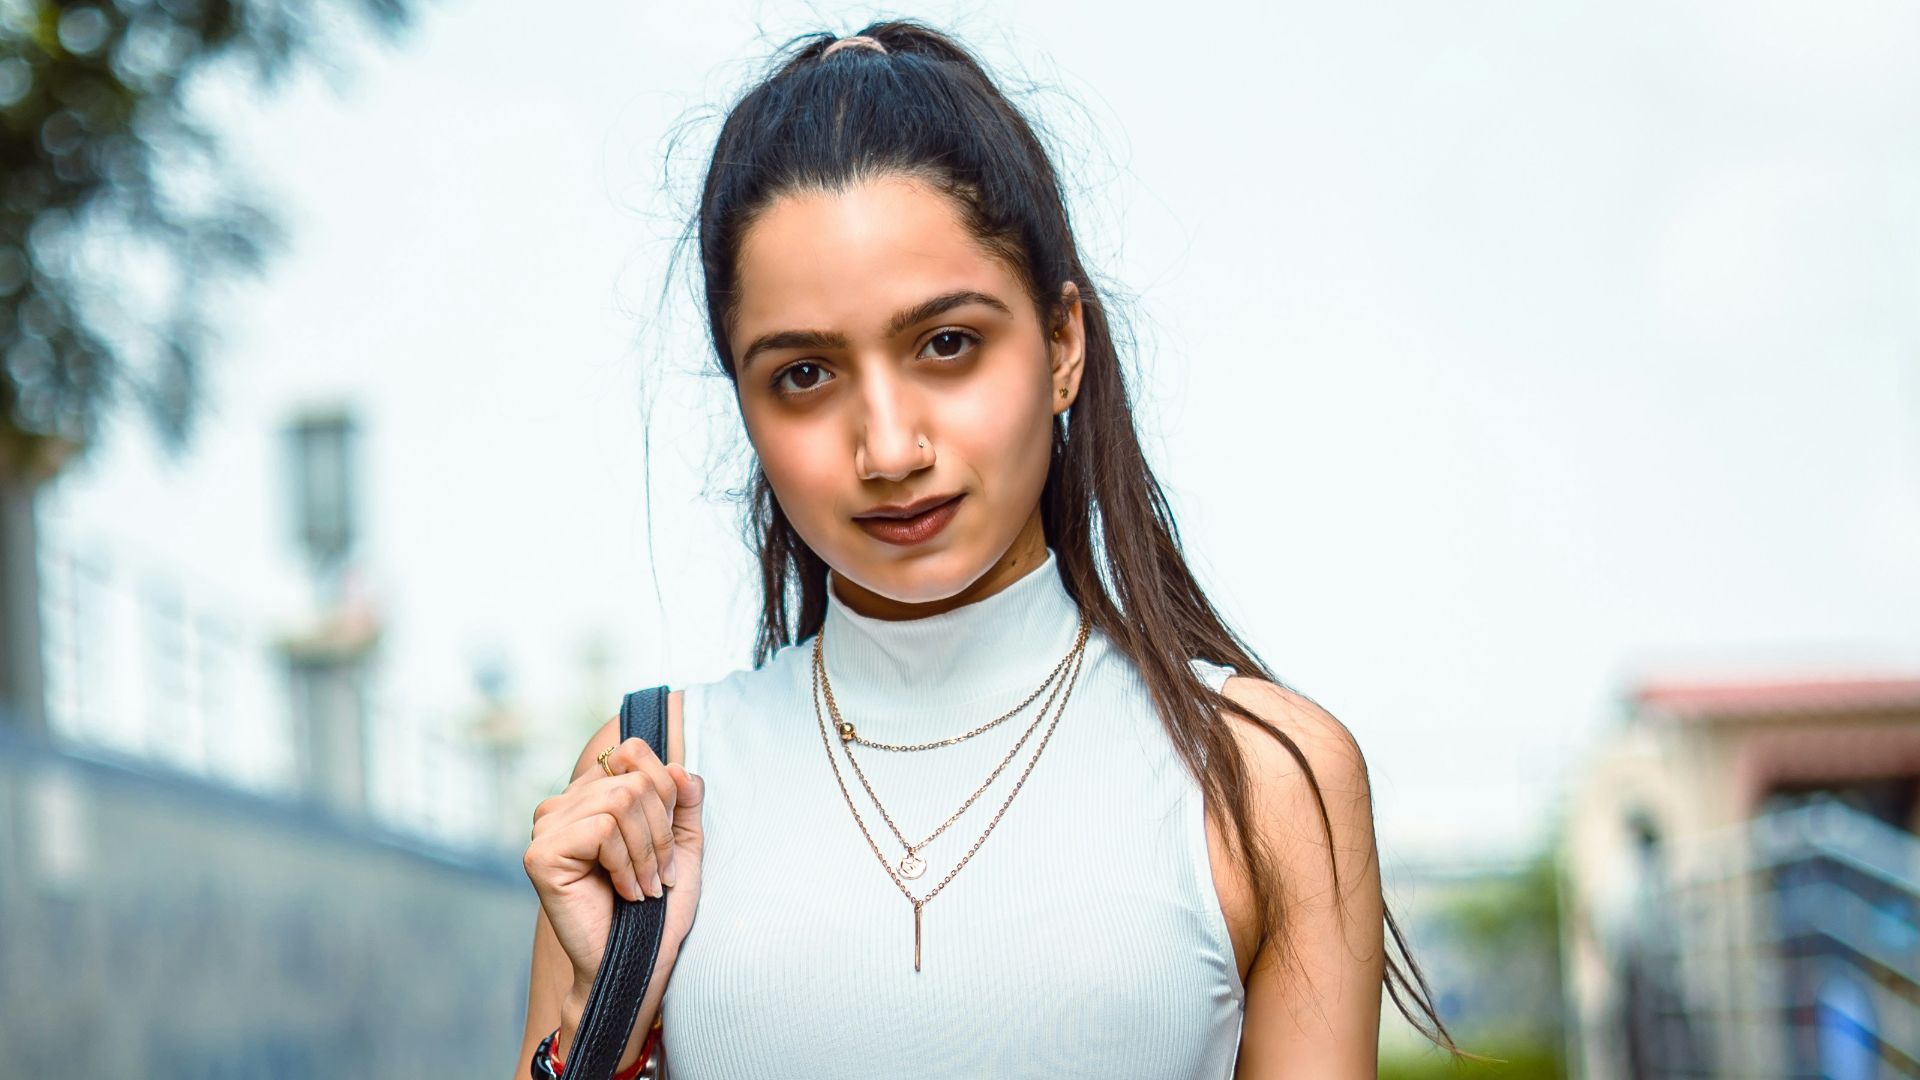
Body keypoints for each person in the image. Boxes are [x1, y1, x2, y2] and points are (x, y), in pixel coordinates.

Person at [517, 20, 1466, 1079]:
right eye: (804, 374)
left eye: (947, 345)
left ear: (1063, 345)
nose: (888, 448)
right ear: (743, 403)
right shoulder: (651, 779)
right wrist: (605, 1019)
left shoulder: (1262, 780)